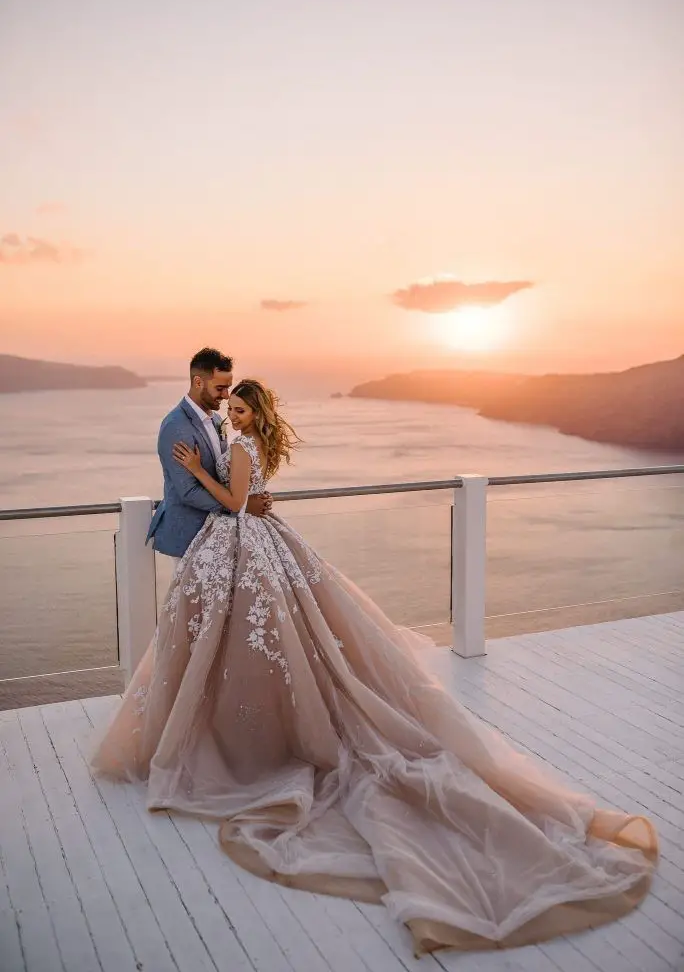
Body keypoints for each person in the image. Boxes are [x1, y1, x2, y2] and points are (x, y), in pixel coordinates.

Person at [92, 378, 657, 957]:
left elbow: (237, 503)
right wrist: (229, 479)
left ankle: (243, 734)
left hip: (246, 538)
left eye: (239, 409)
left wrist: (197, 468)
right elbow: (251, 496)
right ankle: (251, 720)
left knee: (255, 640)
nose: (231, 417)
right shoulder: (256, 442)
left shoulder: (239, 446)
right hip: (258, 541)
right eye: (228, 408)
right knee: (277, 640)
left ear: (253, 412)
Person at [146, 347, 272, 567]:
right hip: (190, 534)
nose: (225, 396)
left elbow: (227, 473)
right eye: (220, 388)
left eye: (228, 388)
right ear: (198, 383)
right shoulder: (176, 426)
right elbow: (188, 491)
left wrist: (251, 492)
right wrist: (241, 507)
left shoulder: (215, 419)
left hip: (221, 533)